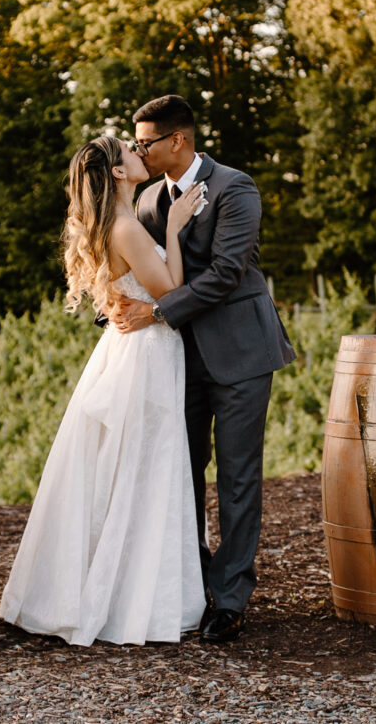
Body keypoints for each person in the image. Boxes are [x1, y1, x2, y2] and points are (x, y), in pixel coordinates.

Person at [0, 136, 206, 645]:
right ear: (117, 172)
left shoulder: (117, 223)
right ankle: (133, 601)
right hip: (146, 355)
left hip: (128, 348)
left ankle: (123, 590)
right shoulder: (128, 227)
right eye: (130, 150)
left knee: (128, 467)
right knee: (145, 467)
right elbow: (171, 292)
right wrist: (174, 229)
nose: (139, 152)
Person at [105, 94, 294, 644]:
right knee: (179, 475)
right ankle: (191, 584)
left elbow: (228, 272)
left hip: (240, 354)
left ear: (177, 140)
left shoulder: (235, 188)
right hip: (175, 360)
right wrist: (114, 305)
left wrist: (157, 312)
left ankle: (230, 600)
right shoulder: (147, 200)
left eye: (145, 142)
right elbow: (139, 266)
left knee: (237, 479)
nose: (138, 150)